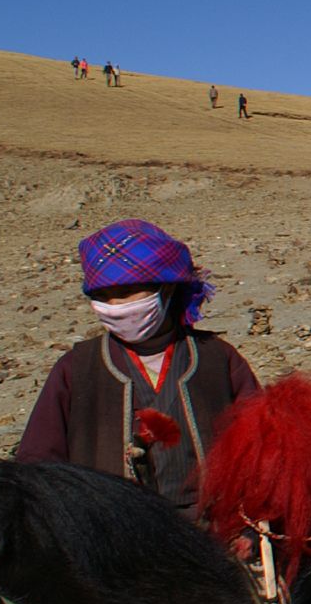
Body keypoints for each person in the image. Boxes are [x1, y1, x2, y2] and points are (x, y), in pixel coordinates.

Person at [18, 218, 260, 517]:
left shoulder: (216, 359)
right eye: (102, 296)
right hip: (112, 536)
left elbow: (261, 447)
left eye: (128, 291)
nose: (115, 305)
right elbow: (38, 464)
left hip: (212, 530)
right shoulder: (76, 369)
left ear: (168, 289)